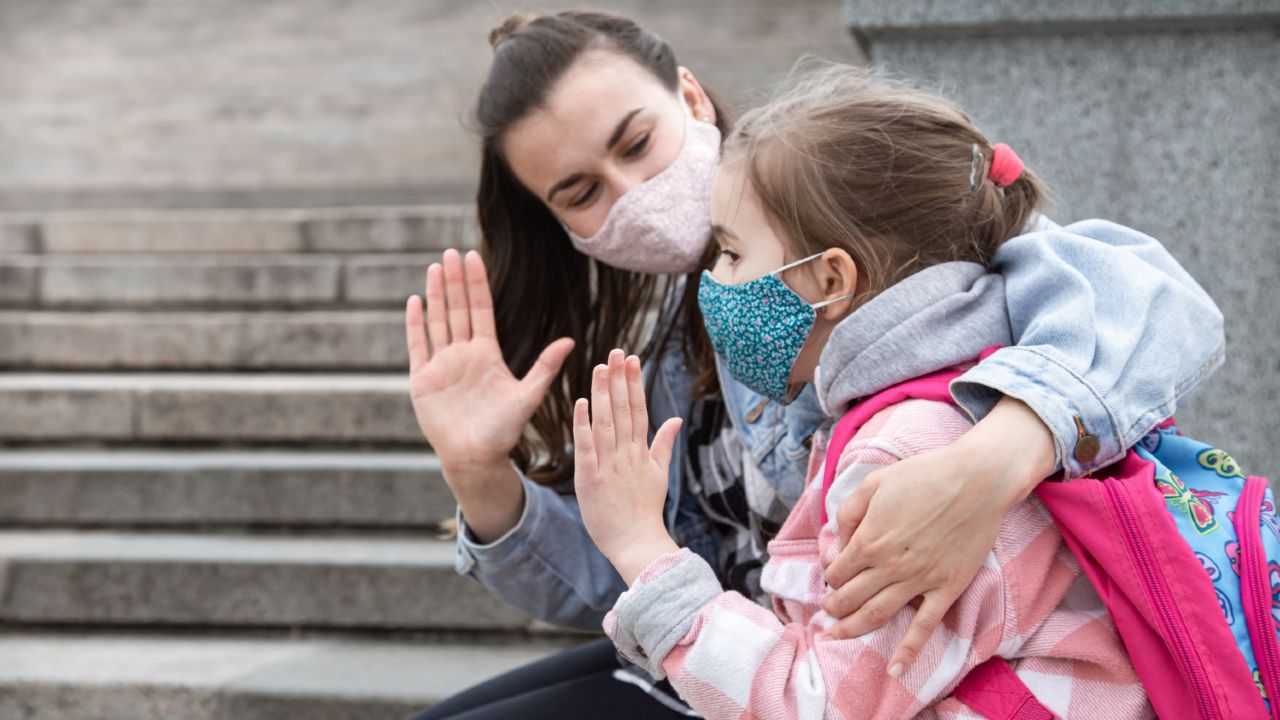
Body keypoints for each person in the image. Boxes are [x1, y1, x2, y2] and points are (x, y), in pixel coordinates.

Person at [405, 10, 1221, 718]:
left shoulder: (870, 209)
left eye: (637, 143)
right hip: (758, 652)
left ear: (689, 98)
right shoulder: (669, 349)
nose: (632, 192)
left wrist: (993, 460)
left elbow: (1149, 299)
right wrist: (481, 474)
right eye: (582, 193)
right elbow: (628, 572)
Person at [575, 62, 1156, 718]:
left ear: (830, 280)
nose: (715, 277)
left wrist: (640, 547)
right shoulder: (963, 393)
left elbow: (820, 705)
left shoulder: (903, 458)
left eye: (732, 252)